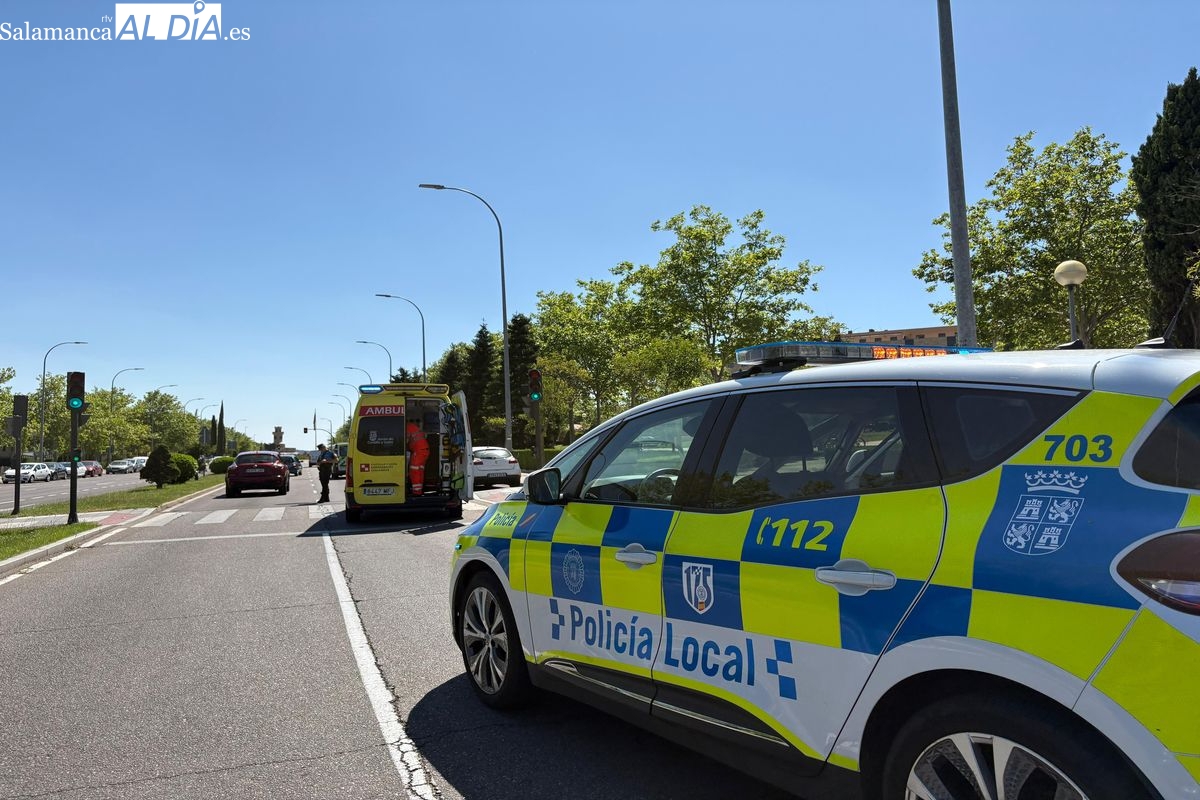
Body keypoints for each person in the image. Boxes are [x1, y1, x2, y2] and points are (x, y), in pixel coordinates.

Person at [406, 421, 429, 496]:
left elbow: (405, 440)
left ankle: (416, 491)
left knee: (414, 470)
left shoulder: (407, 427)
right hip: (424, 450)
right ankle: (419, 490)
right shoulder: (414, 427)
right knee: (420, 470)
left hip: (418, 450)